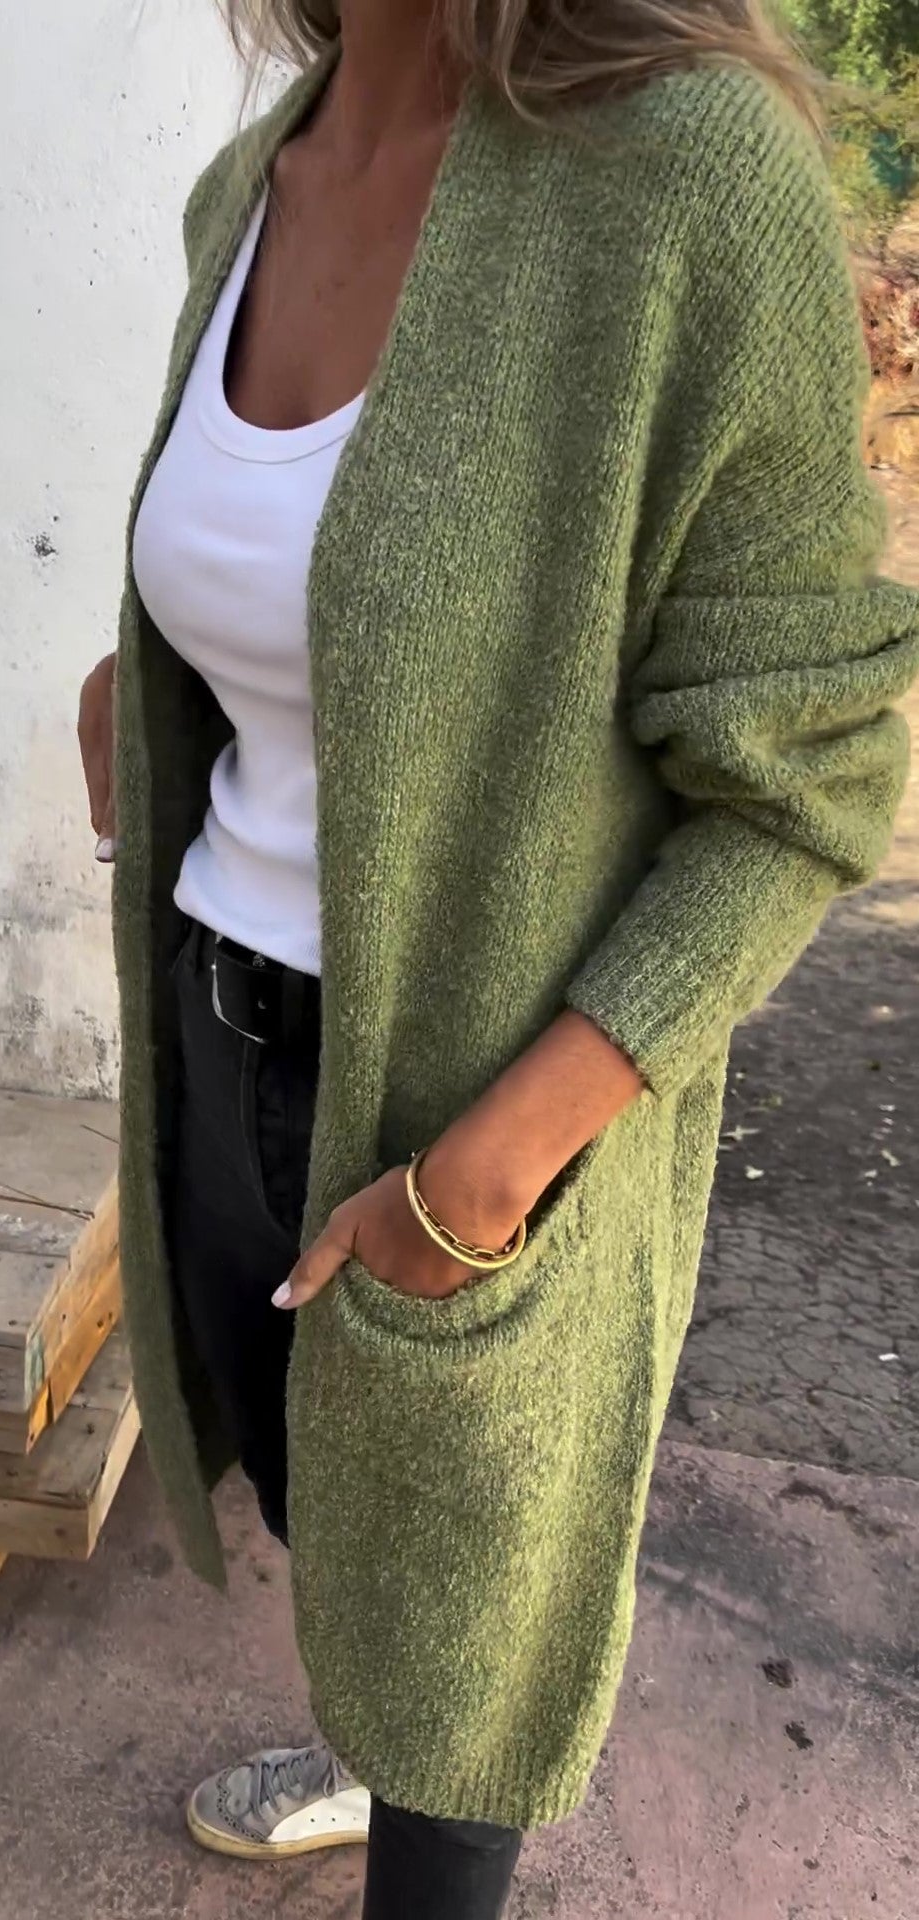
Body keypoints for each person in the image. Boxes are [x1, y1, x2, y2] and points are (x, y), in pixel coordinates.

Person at [78, 0, 918, 1911]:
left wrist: (484, 1173)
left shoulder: (684, 179)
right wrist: (152, 690)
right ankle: (368, 1742)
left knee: (474, 1654)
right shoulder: (250, 182)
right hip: (220, 1042)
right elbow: (332, 580)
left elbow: (802, 789)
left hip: (478, 1115)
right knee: (334, 1521)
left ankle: (416, 1781)